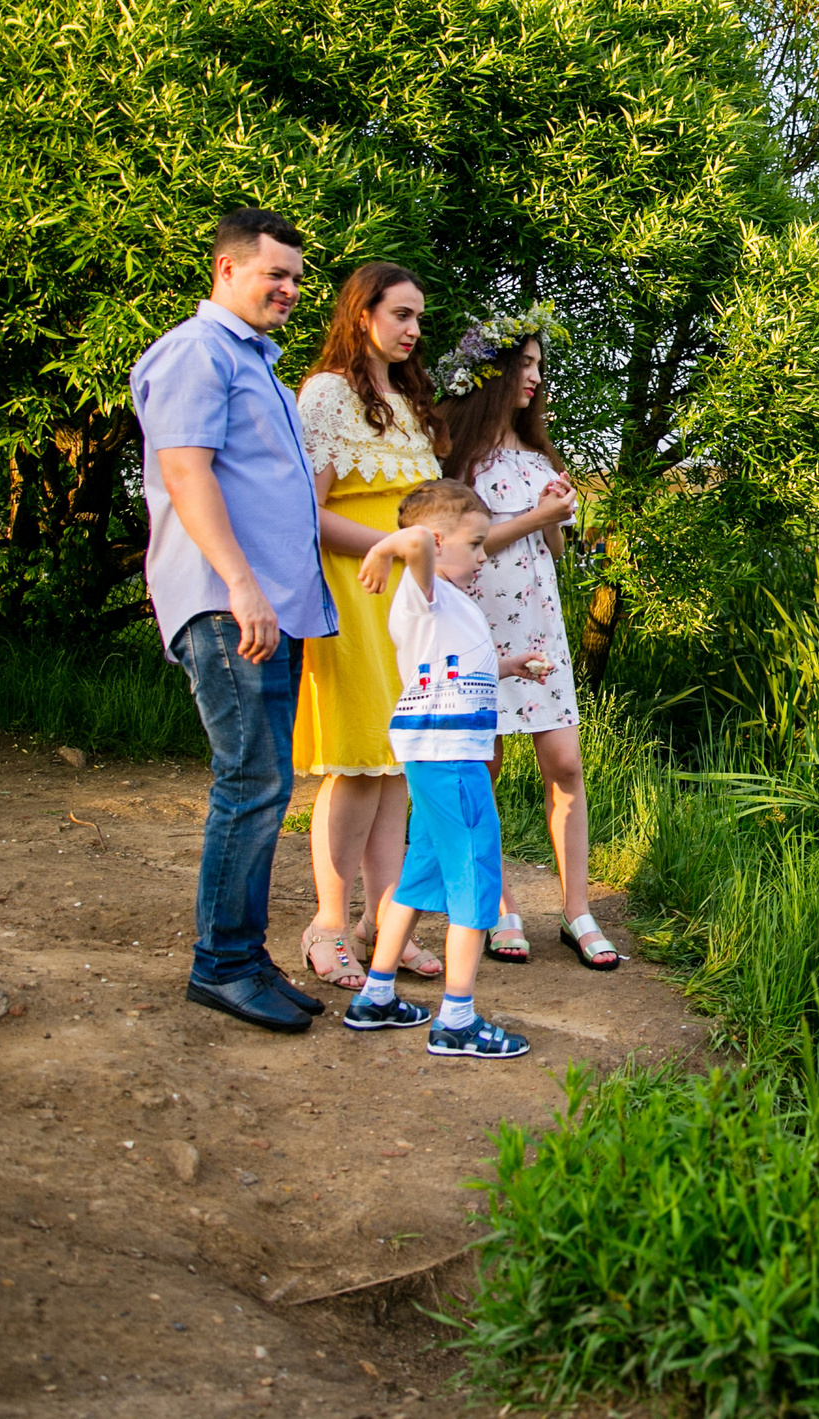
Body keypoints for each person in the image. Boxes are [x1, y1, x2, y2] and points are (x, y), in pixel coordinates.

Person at [130, 208, 336, 1034]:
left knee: (266, 783)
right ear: (226, 270)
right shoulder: (197, 350)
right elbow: (186, 473)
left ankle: (245, 955)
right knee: (250, 781)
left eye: (294, 277)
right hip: (228, 605)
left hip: (265, 607)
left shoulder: (260, 366)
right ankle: (219, 964)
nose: (287, 289)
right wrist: (242, 586)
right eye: (272, 274)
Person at [435, 307, 617, 970]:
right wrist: (539, 511)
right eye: (526, 364)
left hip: (541, 627)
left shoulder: (537, 454)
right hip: (478, 626)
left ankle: (576, 909)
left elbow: (555, 548)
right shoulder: (456, 453)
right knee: (485, 765)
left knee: (565, 764)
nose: (536, 377)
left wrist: (558, 511)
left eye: (541, 366)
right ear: (493, 372)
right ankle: (499, 901)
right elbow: (466, 542)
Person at [290, 262, 453, 991]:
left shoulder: (410, 401)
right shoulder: (326, 394)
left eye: (420, 319)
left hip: (410, 602)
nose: (415, 331)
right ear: (363, 315)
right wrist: (389, 547)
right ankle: (326, 926)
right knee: (357, 763)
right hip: (353, 590)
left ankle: (384, 923)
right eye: (402, 316)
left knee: (397, 769)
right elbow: (305, 509)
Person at [342, 479, 541, 1057]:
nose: (483, 555)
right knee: (476, 876)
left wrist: (509, 665)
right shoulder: (421, 586)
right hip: (451, 757)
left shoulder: (450, 601)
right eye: (476, 543)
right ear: (432, 541)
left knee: (420, 873)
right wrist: (386, 546)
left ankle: (376, 996)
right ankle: (457, 1018)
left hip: (438, 754)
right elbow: (419, 546)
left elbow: (455, 666)